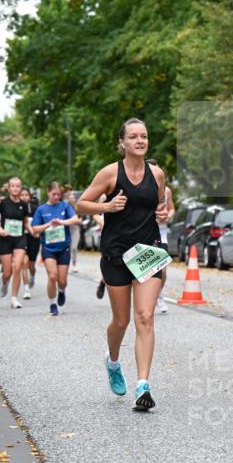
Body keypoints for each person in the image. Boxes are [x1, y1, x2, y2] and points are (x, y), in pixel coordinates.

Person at [77, 118, 169, 410]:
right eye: (133, 137)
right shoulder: (110, 173)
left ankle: (143, 385)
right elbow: (81, 204)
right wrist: (107, 206)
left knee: (145, 316)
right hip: (116, 254)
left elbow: (160, 206)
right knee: (121, 321)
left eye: (144, 136)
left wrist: (163, 214)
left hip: (148, 252)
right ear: (122, 142)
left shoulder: (157, 174)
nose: (140, 141)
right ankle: (113, 361)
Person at [31, 182, 80, 316]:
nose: (57, 197)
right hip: (48, 248)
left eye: (59, 194)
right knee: (52, 276)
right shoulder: (41, 209)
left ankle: (62, 291)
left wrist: (61, 222)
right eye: (54, 194)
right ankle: (53, 304)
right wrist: (48, 224)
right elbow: (34, 229)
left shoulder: (65, 206)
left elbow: (75, 219)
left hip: (63, 247)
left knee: (62, 281)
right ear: (48, 192)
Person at [0, 177, 31, 309]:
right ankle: (4, 283)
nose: (15, 188)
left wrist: (33, 231)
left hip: (19, 238)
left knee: (17, 268)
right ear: (9, 188)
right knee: (7, 272)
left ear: (21, 188)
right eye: (13, 186)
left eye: (17, 186)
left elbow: (26, 222)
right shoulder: (2, 203)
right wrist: (0, 229)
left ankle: (14, 298)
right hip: (5, 239)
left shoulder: (24, 205)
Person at [146, 161, 175, 314]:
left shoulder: (166, 190)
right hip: (144, 234)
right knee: (148, 270)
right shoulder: (141, 189)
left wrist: (167, 216)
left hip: (161, 233)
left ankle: (159, 295)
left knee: (162, 271)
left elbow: (171, 209)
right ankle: (147, 297)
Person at [20, 186, 39, 299]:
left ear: (29, 197)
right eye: (22, 195)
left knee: (31, 265)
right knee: (24, 263)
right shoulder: (16, 208)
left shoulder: (35, 209)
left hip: (34, 238)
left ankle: (32, 274)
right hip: (21, 238)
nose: (24, 197)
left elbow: (40, 222)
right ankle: (26, 289)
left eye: (26, 195)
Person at [64, 185, 81, 273]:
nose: (72, 199)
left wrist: (78, 221)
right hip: (67, 229)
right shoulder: (65, 207)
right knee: (68, 248)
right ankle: (66, 264)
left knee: (74, 248)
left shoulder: (77, 207)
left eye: (73, 197)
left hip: (75, 229)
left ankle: (74, 265)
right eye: (70, 198)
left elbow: (80, 219)